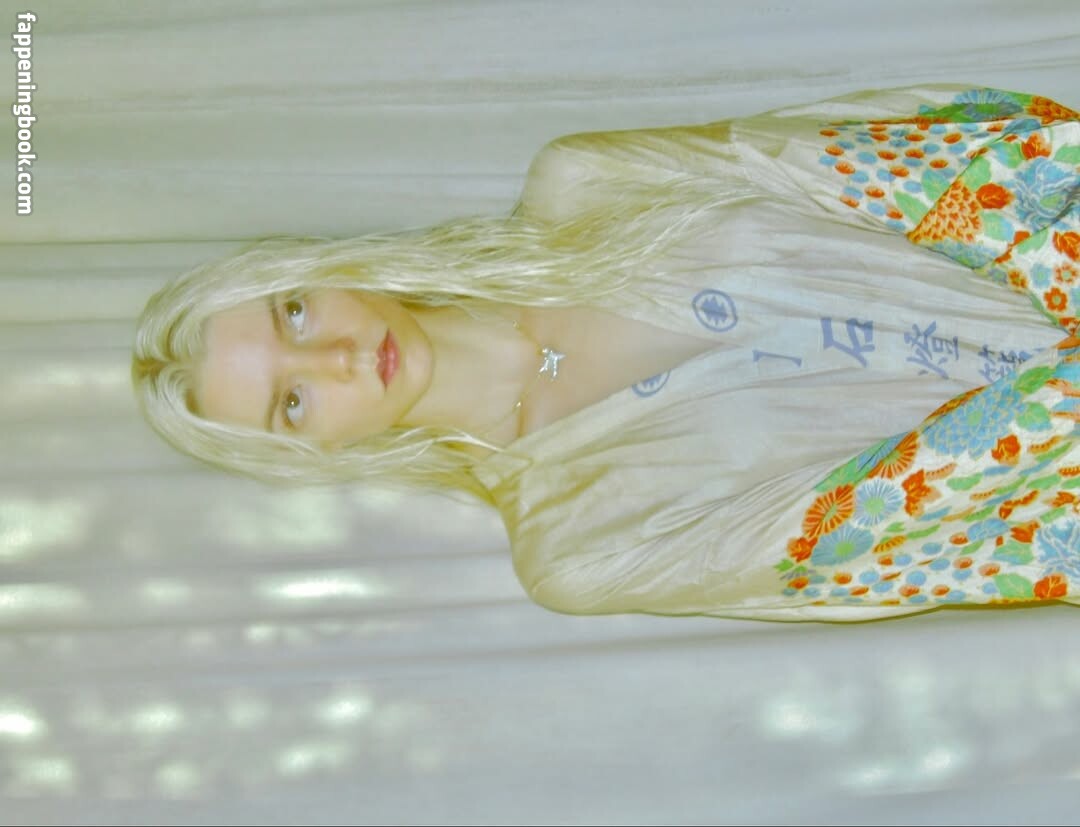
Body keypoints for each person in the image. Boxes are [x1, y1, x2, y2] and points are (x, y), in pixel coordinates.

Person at [133, 85, 1080, 621]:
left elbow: (899, 165)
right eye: (292, 402)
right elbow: (905, 543)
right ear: (315, 454)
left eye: (295, 314)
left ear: (316, 269)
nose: (337, 358)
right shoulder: (579, 546)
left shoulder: (587, 185)